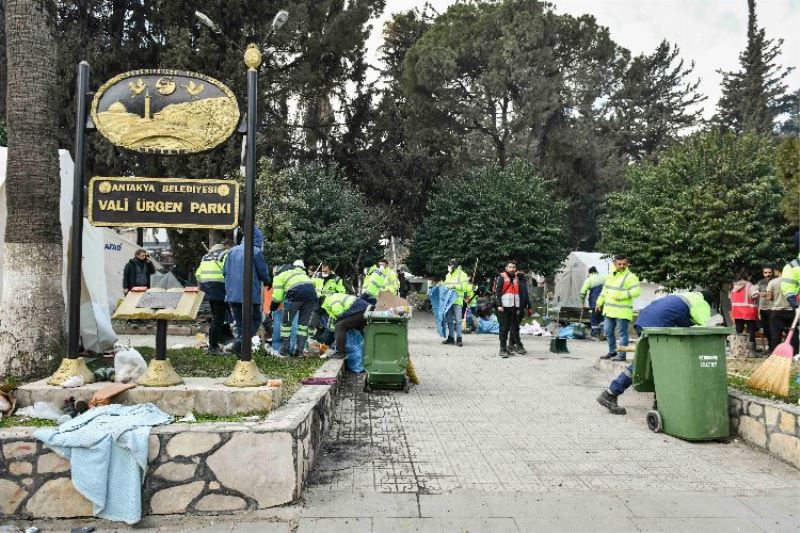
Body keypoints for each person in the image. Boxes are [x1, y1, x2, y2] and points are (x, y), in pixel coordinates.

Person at [597, 291, 713, 415]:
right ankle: (611, 393)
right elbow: (704, 328)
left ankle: (658, 403)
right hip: (657, 327)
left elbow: (680, 319)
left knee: (651, 363)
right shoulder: (702, 304)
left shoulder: (684, 296)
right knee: (658, 365)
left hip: (644, 320)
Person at [223, 228, 271, 355]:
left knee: (240, 323)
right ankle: (239, 344)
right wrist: (268, 281)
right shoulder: (255, 251)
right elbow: (263, 273)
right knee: (255, 321)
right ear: (258, 239)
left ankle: (241, 352)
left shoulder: (232, 251)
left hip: (232, 295)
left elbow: (224, 272)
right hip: (250, 295)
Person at [597, 255, 641, 362]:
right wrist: (599, 303)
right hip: (609, 310)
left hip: (622, 311)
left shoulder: (631, 277)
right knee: (607, 331)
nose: (622, 266)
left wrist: (621, 295)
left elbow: (636, 291)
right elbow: (605, 291)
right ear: (615, 264)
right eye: (619, 264)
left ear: (627, 264)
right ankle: (612, 352)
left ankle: (622, 355)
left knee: (622, 333)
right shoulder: (611, 275)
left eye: (624, 264)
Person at [271, 261, 319, 357]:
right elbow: (312, 284)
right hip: (311, 297)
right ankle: (300, 351)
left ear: (276, 271)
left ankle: (285, 349)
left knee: (286, 323)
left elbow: (277, 297)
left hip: (294, 297)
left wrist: (272, 308)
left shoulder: (279, 276)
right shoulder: (299, 272)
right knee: (303, 325)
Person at [195, 240, 232, 355]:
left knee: (219, 317)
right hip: (220, 287)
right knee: (219, 318)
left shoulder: (206, 256)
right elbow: (230, 271)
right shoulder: (225, 255)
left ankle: (219, 342)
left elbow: (198, 275)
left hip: (208, 289)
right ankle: (213, 347)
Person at [495, 261, 528, 357]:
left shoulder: (515, 279)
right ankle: (502, 349)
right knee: (504, 328)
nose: (512, 269)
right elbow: (497, 292)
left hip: (512, 307)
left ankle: (507, 348)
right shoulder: (501, 277)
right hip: (503, 307)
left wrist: (517, 308)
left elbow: (516, 294)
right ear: (506, 268)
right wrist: (499, 305)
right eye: (510, 267)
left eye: (514, 267)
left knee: (511, 328)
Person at [320, 293, 370, 358]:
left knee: (340, 326)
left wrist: (335, 335)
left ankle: (341, 353)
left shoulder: (330, 301)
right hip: (362, 310)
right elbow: (332, 325)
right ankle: (368, 351)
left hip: (360, 310)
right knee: (350, 327)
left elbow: (340, 315)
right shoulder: (329, 300)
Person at [442, 259, 474, 347]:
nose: (448, 267)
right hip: (448, 301)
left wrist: (454, 286)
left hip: (457, 300)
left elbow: (464, 287)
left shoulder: (462, 274)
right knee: (449, 320)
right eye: (448, 265)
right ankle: (451, 338)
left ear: (454, 266)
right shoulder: (448, 275)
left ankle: (459, 338)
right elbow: (445, 285)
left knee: (458, 320)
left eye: (450, 265)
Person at [769, 267, 799, 354]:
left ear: (776, 271)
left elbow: (769, 297)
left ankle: (775, 354)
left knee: (776, 333)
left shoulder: (773, 282)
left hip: (777, 311)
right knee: (793, 333)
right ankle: (795, 353)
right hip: (792, 311)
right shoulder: (794, 282)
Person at [730, 272, 759, 350]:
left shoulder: (734, 287)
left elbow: (730, 297)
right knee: (751, 331)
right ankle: (752, 350)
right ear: (748, 277)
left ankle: (738, 349)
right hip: (748, 311)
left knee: (739, 330)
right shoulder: (750, 285)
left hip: (737, 311)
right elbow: (755, 295)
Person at [579, 266, 605, 339]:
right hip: (605, 301)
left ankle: (595, 334)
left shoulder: (589, 279)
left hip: (595, 302)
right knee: (602, 318)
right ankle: (604, 333)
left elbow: (582, 293)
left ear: (590, 272)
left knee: (595, 317)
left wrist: (582, 303)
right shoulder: (604, 278)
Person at [755, 265, 775, 351]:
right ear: (763, 273)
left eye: (769, 272)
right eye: (766, 272)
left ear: (772, 273)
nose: (768, 274)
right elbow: (756, 294)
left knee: (773, 329)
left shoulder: (775, 282)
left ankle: (773, 348)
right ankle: (770, 347)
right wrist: (758, 311)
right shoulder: (760, 282)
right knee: (766, 329)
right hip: (763, 309)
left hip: (773, 308)